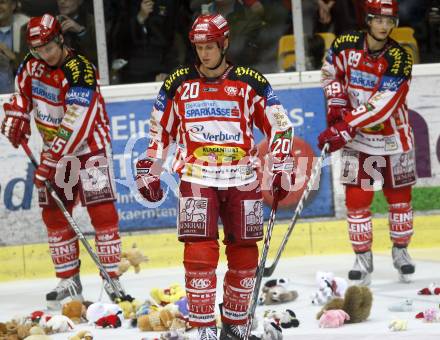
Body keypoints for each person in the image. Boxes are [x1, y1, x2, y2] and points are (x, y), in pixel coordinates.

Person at [135, 13, 295, 340]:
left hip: (243, 178)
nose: (204, 53)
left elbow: (281, 126)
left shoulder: (251, 81)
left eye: (210, 46)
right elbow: (157, 132)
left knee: (245, 251)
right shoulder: (178, 83)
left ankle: (235, 323)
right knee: (198, 254)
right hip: (196, 177)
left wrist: (281, 166)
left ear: (224, 44)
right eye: (198, 47)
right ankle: (205, 327)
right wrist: (149, 169)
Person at [0, 14, 123, 309]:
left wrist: (52, 159)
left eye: (48, 48)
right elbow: (22, 95)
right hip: (55, 152)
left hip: (89, 149)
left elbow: (76, 122)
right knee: (55, 214)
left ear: (60, 40)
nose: (44, 55)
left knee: (102, 210)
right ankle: (69, 280)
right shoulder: (31, 66)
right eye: (37, 50)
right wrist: (16, 114)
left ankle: (112, 278)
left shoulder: (81, 70)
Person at [317, 0, 416, 285]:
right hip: (358, 142)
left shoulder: (400, 57)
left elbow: (383, 104)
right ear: (368, 20)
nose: (384, 26)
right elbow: (328, 71)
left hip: (393, 141)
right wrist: (336, 101)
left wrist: (346, 124)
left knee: (400, 201)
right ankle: (362, 257)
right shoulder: (345, 43)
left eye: (389, 21)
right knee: (357, 201)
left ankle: (401, 252)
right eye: (378, 20)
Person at [0, 0, 29, 94]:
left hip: (19, 97)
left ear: (13, 5)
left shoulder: (26, 28)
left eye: (2, 2)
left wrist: (11, 56)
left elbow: (31, 69)